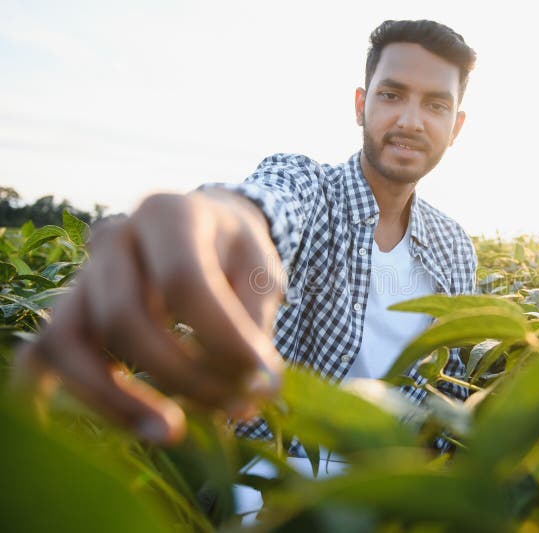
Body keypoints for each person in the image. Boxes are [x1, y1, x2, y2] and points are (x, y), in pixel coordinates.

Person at [15, 19, 478, 447]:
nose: (411, 121)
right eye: (392, 95)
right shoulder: (307, 187)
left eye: (435, 104)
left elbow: (448, 395)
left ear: (456, 128)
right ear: (362, 105)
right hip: (265, 490)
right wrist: (215, 221)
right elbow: (260, 207)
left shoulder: (454, 249)